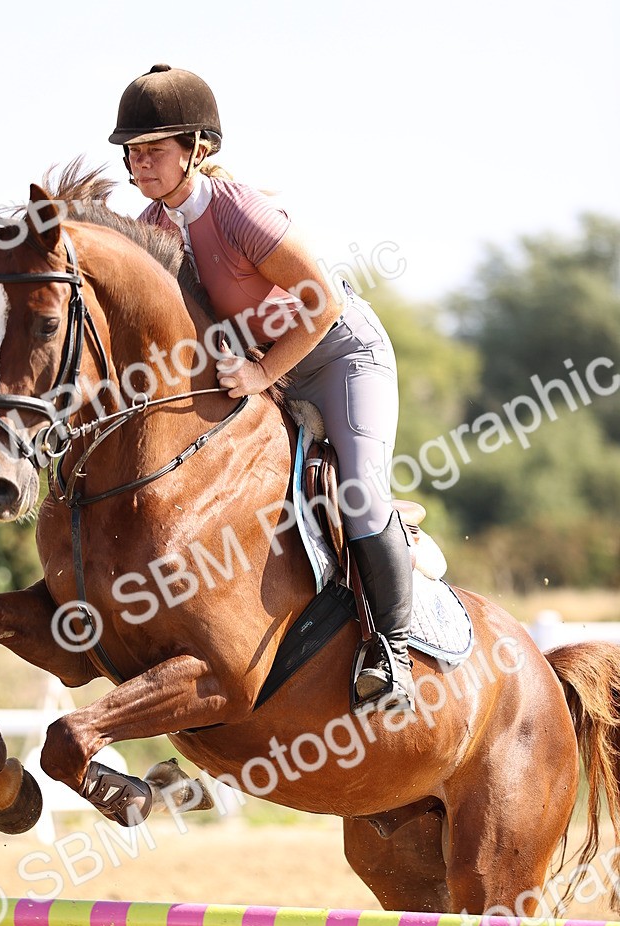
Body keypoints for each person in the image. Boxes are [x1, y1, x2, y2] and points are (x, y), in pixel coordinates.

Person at [109, 64, 414, 712]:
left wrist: (259, 374)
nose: (140, 162)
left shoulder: (238, 209)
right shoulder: (150, 228)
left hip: (340, 355)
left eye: (154, 149)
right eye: (132, 152)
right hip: (262, 368)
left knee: (360, 493)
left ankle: (393, 655)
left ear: (197, 148)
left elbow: (322, 300)